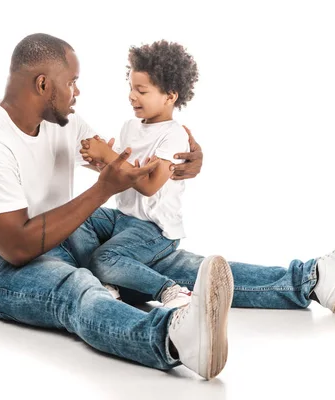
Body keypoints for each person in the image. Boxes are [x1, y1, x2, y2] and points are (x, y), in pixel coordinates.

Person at [0, 33, 335, 381]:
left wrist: (181, 164)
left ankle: (312, 282)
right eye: (71, 81)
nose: (78, 91)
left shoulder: (62, 123)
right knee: (76, 288)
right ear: (43, 83)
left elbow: (124, 166)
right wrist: (102, 189)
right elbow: (18, 248)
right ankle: (173, 338)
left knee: (161, 256)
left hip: (56, 236)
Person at [78, 40, 200, 309]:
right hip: (122, 217)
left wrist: (110, 156)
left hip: (154, 228)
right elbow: (120, 174)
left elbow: (148, 186)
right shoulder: (130, 126)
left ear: (170, 96)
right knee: (74, 216)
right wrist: (97, 160)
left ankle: (169, 289)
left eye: (141, 91)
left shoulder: (174, 135)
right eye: (131, 88)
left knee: (103, 258)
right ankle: (110, 282)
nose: (132, 96)